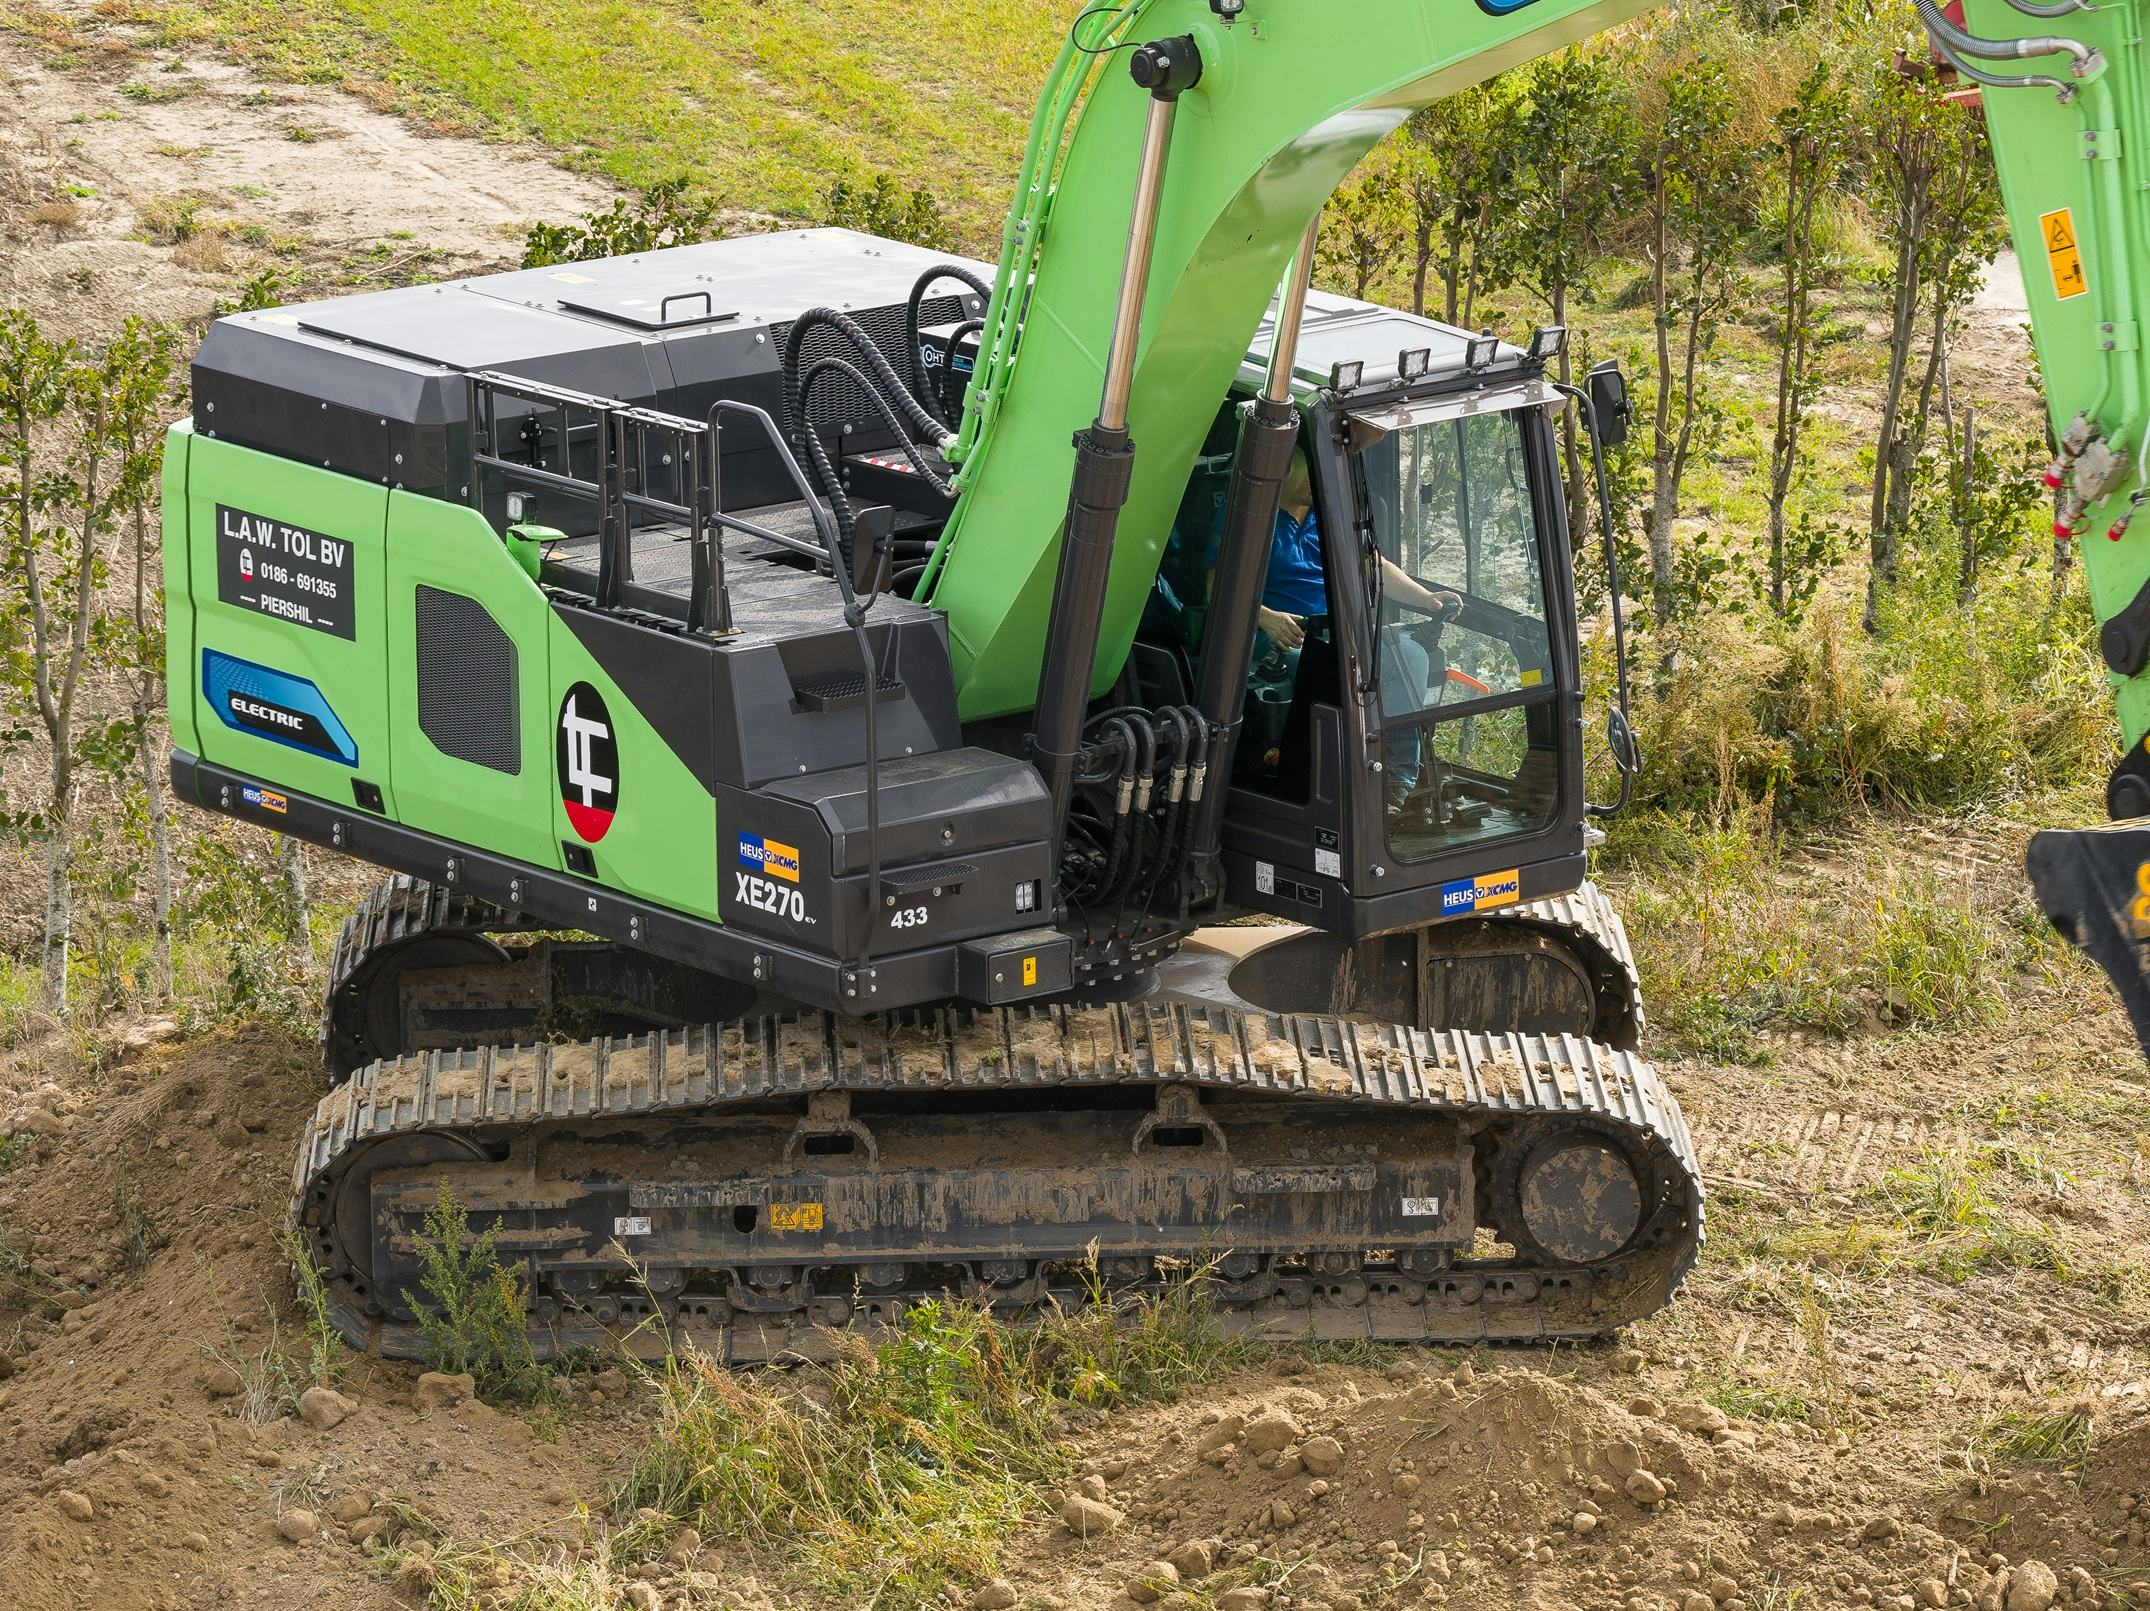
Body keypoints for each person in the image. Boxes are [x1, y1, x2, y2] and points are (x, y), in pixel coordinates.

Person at [1254, 448, 1461, 794]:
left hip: (1339, 634)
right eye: (1307, 473)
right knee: (1328, 669)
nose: (1313, 482)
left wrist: (1427, 599)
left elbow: (1373, 565)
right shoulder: (1256, 515)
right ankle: (1321, 780)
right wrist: (1265, 617)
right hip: (1283, 638)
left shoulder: (1326, 517)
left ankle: (1398, 779)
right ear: (1282, 469)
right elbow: (1218, 585)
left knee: (1410, 656)